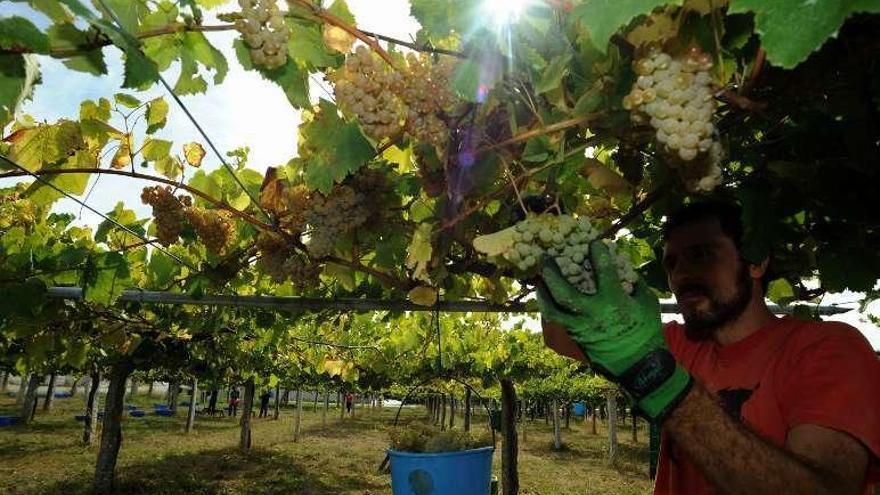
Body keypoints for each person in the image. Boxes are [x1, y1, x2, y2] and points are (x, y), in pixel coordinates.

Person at [538, 201, 880, 494]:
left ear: (755, 262)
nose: (681, 275)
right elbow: (560, 336)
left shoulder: (828, 349)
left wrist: (660, 382)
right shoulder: (676, 345)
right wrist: (557, 245)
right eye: (671, 263)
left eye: (701, 255)